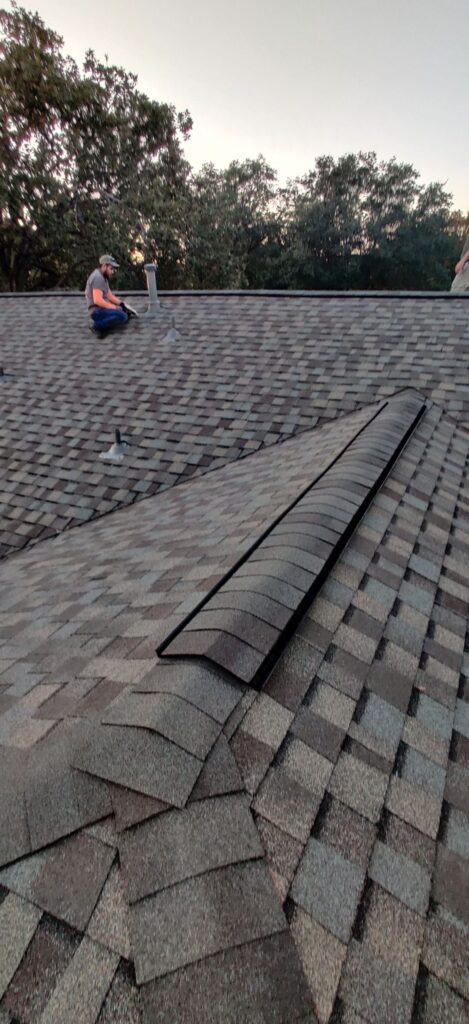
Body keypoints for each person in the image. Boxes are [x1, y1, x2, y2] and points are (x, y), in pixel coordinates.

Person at [85, 255, 130, 337]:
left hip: (102, 309)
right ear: (104, 266)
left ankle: (104, 326)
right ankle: (96, 326)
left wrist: (122, 304)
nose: (112, 271)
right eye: (111, 269)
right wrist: (115, 307)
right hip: (96, 311)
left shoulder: (103, 278)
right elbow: (97, 300)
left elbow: (109, 296)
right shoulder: (97, 278)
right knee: (123, 316)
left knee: (123, 312)